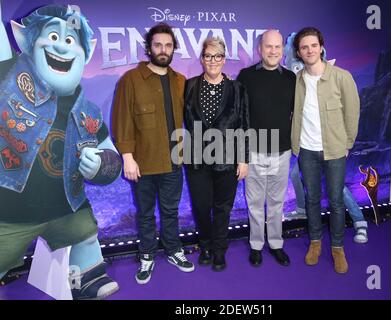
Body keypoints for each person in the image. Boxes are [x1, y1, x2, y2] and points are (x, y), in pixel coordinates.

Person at [0, 4, 122, 299]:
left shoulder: (87, 110)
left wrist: (102, 165)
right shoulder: (8, 78)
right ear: (26, 40)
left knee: (85, 232)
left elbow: (112, 158)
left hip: (67, 210)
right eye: (53, 36)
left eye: (70, 41)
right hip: (10, 215)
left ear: (86, 52)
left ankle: (85, 278)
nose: (61, 47)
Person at [112, 23, 194, 285]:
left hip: (173, 162)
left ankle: (173, 250)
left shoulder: (180, 80)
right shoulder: (130, 80)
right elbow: (121, 120)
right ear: (149, 48)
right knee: (145, 213)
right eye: (158, 45)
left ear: (173, 49)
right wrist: (127, 156)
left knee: (170, 212)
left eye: (168, 45)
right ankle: (146, 255)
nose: (163, 50)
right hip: (143, 164)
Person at [291, 27, 360, 274]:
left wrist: (347, 144)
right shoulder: (296, 79)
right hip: (306, 151)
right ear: (298, 52)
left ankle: (338, 248)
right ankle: (315, 243)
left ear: (321, 46)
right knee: (311, 199)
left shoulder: (342, 77)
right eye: (303, 47)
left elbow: (352, 114)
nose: (309, 50)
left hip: (335, 151)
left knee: (337, 200)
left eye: (313, 45)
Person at [183, 37, 249, 271]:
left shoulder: (237, 88)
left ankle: (219, 250)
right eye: (208, 56)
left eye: (217, 56)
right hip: (197, 160)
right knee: (201, 206)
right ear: (202, 59)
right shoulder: (189, 86)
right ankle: (205, 245)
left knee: (223, 207)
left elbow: (243, 124)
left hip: (227, 159)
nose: (212, 61)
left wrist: (243, 159)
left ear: (224, 59)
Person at [237, 30, 295, 267]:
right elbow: (238, 117)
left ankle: (276, 244)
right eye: (268, 47)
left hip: (282, 152)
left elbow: (297, 114)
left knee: (276, 203)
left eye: (277, 47)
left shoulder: (292, 79)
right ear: (260, 49)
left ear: (283, 49)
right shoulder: (245, 76)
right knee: (254, 203)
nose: (273, 51)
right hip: (254, 152)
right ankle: (256, 245)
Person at [289, 161, 368, 243]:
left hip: (327, 152)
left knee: (338, 186)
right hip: (307, 151)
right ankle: (302, 209)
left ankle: (360, 223)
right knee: (295, 175)